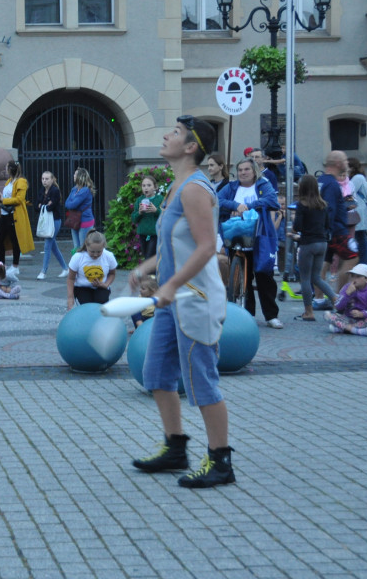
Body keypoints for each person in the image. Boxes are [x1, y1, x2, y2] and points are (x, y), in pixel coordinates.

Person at [129, 116, 234, 489]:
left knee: (201, 380)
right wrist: (148, 265)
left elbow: (207, 246)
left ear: (191, 147)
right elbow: (178, 241)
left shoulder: (193, 189)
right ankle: (176, 448)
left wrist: (171, 284)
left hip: (195, 299)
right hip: (175, 299)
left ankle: (221, 460)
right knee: (157, 373)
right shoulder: (175, 187)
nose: (165, 135)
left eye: (174, 133)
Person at [218, 158, 283, 329]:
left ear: (254, 171)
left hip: (260, 236)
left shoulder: (263, 185)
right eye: (240, 170)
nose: (243, 172)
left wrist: (249, 206)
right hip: (236, 235)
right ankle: (248, 314)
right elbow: (217, 200)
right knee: (242, 278)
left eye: (246, 169)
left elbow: (273, 202)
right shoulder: (231, 187)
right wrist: (235, 205)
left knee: (264, 276)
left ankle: (271, 315)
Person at [289, 174, 338, 322]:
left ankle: (308, 312)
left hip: (308, 244)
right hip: (322, 243)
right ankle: (336, 300)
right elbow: (327, 226)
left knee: (305, 278)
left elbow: (297, 227)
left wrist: (293, 223)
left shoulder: (301, 205)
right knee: (316, 277)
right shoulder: (323, 204)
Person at [318, 150, 359, 292]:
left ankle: (318, 299)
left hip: (325, 231)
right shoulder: (332, 184)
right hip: (336, 231)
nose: (347, 163)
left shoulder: (321, 181)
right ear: (338, 163)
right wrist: (329, 231)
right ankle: (341, 296)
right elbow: (329, 209)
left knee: (323, 263)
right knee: (352, 258)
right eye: (345, 160)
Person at [0, 160, 33, 276]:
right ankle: (2, 264)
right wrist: (1, 198)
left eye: (6, 167)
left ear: (10, 169)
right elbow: (7, 196)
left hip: (14, 214)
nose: (5, 170)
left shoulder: (21, 181)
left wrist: (4, 200)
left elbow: (19, 199)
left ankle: (15, 266)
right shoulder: (9, 181)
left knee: (15, 239)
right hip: (4, 213)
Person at [325, 264, 367, 336]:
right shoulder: (346, 288)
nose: (354, 279)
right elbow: (337, 306)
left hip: (363, 320)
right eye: (352, 276)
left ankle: (342, 328)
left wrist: (362, 314)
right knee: (327, 314)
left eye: (358, 276)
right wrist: (347, 294)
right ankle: (356, 331)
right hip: (347, 318)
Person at [66, 229, 117, 308]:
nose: (95, 255)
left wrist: (105, 285)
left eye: (99, 252)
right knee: (86, 306)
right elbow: (70, 279)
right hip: (82, 287)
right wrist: (70, 298)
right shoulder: (78, 257)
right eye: (92, 252)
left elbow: (112, 274)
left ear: (103, 247)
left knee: (100, 302)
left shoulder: (109, 256)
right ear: (86, 246)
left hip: (101, 287)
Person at [36, 171, 69, 280]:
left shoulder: (55, 191)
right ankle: (65, 268)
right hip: (46, 221)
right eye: (43, 179)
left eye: (46, 179)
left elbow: (51, 207)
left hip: (55, 220)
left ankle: (43, 271)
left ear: (52, 179)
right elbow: (37, 206)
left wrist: (43, 205)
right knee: (53, 247)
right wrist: (44, 205)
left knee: (47, 245)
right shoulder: (42, 190)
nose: (44, 181)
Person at [347, 157, 367, 267]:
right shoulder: (355, 177)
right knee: (359, 238)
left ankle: (365, 263)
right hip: (355, 210)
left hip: (358, 211)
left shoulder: (358, 177)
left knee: (361, 239)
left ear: (352, 167)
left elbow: (348, 191)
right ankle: (362, 263)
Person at [131, 175, 163, 260]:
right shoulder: (139, 200)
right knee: (146, 256)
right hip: (143, 233)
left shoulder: (160, 199)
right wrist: (139, 212)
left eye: (149, 185)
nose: (146, 188)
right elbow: (134, 218)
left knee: (150, 257)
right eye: (144, 185)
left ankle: (151, 273)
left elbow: (166, 215)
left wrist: (156, 211)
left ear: (155, 187)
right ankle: (151, 273)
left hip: (155, 233)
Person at [64, 168, 96, 250]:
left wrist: (71, 202)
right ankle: (78, 262)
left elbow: (72, 205)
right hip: (75, 220)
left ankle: (84, 263)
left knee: (83, 247)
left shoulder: (85, 190)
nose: (73, 175)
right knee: (76, 247)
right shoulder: (74, 189)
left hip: (85, 221)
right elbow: (66, 203)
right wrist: (71, 203)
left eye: (75, 174)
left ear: (80, 176)